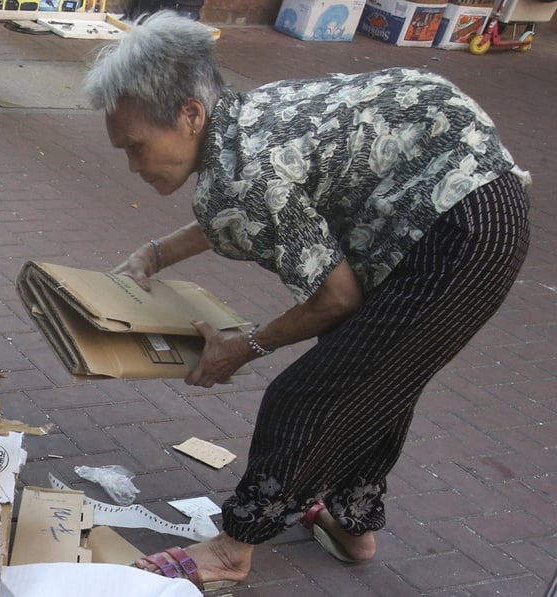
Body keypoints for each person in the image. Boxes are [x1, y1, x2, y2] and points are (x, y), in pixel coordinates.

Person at [83, 11, 530, 592]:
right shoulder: (240, 120)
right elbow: (248, 206)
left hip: (459, 228)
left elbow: (334, 297)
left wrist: (241, 348)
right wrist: (154, 254)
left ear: (190, 114)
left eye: (137, 147)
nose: (133, 165)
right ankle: (351, 525)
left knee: (307, 395)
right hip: (463, 210)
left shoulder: (244, 167)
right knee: (373, 379)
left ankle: (231, 550)